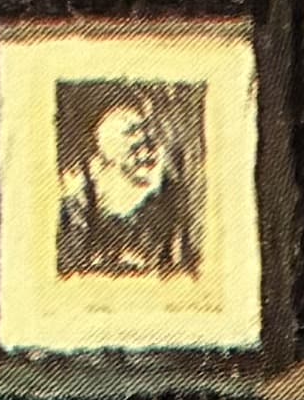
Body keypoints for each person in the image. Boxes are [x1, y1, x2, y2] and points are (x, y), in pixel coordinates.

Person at [50, 86, 197, 282]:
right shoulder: (72, 209)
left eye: (145, 130)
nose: (146, 145)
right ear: (98, 144)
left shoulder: (167, 202)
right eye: (131, 132)